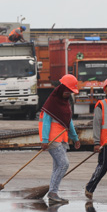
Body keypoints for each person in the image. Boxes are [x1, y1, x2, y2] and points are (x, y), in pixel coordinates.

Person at [39, 74, 81, 204]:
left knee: (57, 165)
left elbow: (69, 122)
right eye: (67, 91)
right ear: (62, 88)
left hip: (62, 139)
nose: (68, 94)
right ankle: (52, 192)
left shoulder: (65, 103)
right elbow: (46, 122)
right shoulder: (51, 102)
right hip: (52, 140)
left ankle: (53, 192)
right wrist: (44, 140)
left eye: (71, 92)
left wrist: (75, 138)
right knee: (64, 164)